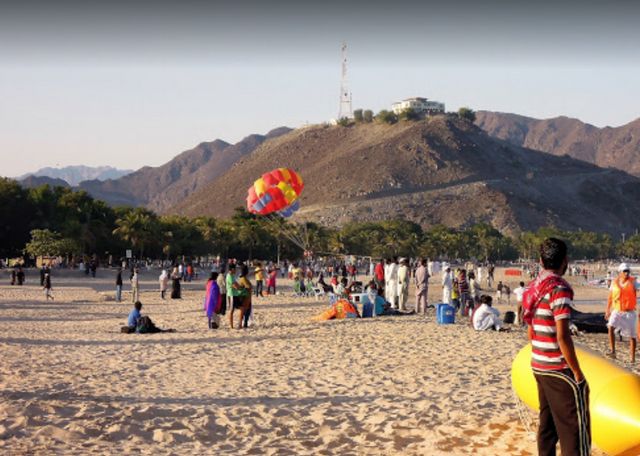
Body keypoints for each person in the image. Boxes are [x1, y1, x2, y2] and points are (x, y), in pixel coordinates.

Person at [526, 237, 590, 455]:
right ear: (565, 261)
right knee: (574, 429)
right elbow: (562, 336)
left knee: (548, 424)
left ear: (540, 261)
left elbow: (530, 329)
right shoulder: (559, 289)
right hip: (558, 369)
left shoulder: (535, 287)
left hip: (538, 364)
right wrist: (577, 372)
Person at [605, 262, 638, 362]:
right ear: (620, 272)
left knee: (632, 336)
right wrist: (608, 310)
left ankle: (632, 358)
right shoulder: (614, 283)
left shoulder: (633, 282)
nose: (627, 273)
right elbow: (610, 297)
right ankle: (613, 351)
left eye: (628, 271)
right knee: (610, 326)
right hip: (617, 310)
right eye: (625, 271)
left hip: (630, 312)